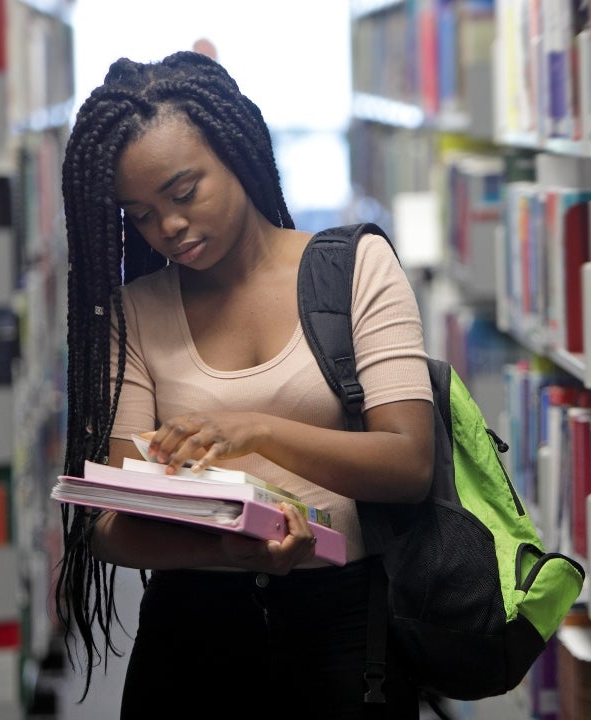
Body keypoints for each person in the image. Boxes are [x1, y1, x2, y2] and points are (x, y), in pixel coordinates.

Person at [56, 51, 434, 719]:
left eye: (183, 192)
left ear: (235, 151)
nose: (166, 227)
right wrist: (227, 549)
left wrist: (255, 431)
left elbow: (408, 463)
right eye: (139, 214)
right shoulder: (135, 313)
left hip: (350, 628)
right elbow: (110, 523)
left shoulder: (355, 269)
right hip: (192, 631)